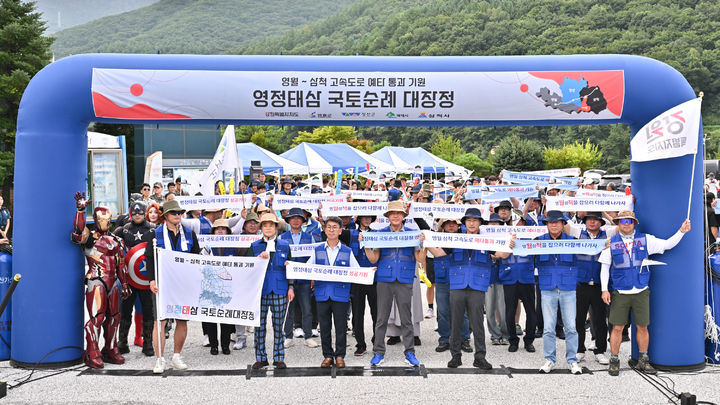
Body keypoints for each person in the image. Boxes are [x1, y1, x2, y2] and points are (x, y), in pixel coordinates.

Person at [600, 210, 691, 376]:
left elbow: (666, 244)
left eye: (629, 221)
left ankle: (643, 360)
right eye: (622, 221)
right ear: (618, 224)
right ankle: (614, 360)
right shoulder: (611, 243)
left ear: (634, 223)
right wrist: (604, 289)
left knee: (642, 326)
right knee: (617, 327)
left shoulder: (646, 239)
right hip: (620, 291)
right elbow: (605, 267)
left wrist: (681, 232)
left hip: (641, 290)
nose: (626, 224)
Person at [425, 207, 511, 369]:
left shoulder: (486, 241)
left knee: (478, 323)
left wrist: (510, 245)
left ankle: (480, 357)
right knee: (456, 322)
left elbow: (502, 255)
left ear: (480, 223)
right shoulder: (456, 239)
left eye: (475, 220)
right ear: (464, 223)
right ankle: (455, 356)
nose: (472, 223)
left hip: (478, 285)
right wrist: (426, 242)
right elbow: (439, 253)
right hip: (457, 284)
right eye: (469, 221)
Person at [362, 200, 425, 367]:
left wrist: (423, 244)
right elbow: (374, 259)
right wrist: (366, 245)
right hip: (384, 279)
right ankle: (378, 352)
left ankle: (410, 352)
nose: (396, 216)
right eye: (392, 214)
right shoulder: (380, 234)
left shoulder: (413, 234)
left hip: (404, 278)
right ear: (388, 216)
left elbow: (419, 259)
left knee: (406, 318)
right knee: (381, 318)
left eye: (399, 214)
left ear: (403, 216)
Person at [71, 192, 130, 369]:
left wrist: (125, 284)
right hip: (96, 279)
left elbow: (121, 265)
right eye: (100, 219)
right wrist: (80, 211)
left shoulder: (117, 240)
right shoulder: (90, 238)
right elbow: (77, 232)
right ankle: (92, 351)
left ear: (110, 220)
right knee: (97, 317)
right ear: (96, 220)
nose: (103, 222)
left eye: (106, 219)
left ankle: (111, 348)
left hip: (113, 282)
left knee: (114, 317)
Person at [145, 199, 201, 373]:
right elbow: (149, 259)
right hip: (162, 283)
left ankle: (176, 356)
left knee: (182, 320)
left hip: (183, 283)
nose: (178, 215)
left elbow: (196, 258)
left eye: (180, 213)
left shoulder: (190, 234)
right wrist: (152, 280)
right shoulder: (155, 234)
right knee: (160, 321)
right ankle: (159, 359)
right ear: (165, 216)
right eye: (174, 213)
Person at [306, 216, 365, 368]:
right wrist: (291, 265)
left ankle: (339, 355)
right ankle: (327, 355)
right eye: (328, 227)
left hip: (341, 293)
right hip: (322, 293)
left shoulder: (347, 250)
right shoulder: (317, 250)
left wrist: (368, 272)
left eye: (335, 227)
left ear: (340, 231)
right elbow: (307, 268)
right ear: (324, 230)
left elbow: (356, 270)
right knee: (324, 327)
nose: (331, 230)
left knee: (340, 327)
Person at [534, 210, 582, 374]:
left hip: (568, 287)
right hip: (547, 288)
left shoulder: (573, 241)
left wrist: (604, 245)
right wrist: (514, 244)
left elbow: (589, 252)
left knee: (571, 327)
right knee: (548, 328)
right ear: (546, 224)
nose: (553, 225)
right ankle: (549, 360)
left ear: (563, 224)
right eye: (550, 222)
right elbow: (524, 254)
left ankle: (572, 360)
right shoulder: (538, 241)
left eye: (557, 222)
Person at [249, 213, 295, 370]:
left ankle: (279, 357)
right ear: (261, 228)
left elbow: (290, 269)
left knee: (278, 326)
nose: (268, 228)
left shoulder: (284, 245)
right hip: (260, 291)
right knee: (259, 326)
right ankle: (261, 358)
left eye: (271, 225)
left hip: (280, 289)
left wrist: (291, 287)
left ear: (276, 228)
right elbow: (249, 270)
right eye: (265, 225)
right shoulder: (255, 246)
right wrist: (257, 260)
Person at [566, 212, 612, 365]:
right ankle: (579, 350)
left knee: (600, 320)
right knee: (578, 319)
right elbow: (564, 225)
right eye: (589, 219)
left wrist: (605, 212)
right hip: (580, 284)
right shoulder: (578, 233)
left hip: (600, 285)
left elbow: (620, 226)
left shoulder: (607, 235)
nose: (592, 222)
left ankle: (600, 350)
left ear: (601, 222)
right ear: (584, 222)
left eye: (596, 220)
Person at [114, 201, 156, 357]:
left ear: (144, 212)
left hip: (146, 279)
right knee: (125, 311)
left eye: (140, 212)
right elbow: (112, 246)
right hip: (128, 279)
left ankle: (148, 343)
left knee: (148, 312)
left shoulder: (153, 229)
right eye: (135, 212)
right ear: (131, 213)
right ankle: (122, 342)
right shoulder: (123, 230)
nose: (138, 214)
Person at [279, 208, 318, 348]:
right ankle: (288, 336)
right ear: (288, 221)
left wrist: (313, 277)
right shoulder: (282, 238)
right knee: (288, 309)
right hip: (287, 279)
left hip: (304, 279)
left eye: (298, 218)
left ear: (303, 221)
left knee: (307, 309)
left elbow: (313, 259)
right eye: (293, 218)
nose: (295, 220)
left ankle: (308, 336)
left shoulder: (309, 237)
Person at [206, 218, 238, 355]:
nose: (220, 231)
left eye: (223, 229)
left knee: (226, 317)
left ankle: (225, 345)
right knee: (211, 317)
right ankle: (214, 345)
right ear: (213, 232)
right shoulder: (206, 245)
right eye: (217, 229)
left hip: (227, 286)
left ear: (227, 231)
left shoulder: (233, 246)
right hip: (210, 285)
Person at [348, 214, 378, 356]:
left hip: (374, 278)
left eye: (369, 218)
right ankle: (360, 344)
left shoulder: (377, 234)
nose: (366, 219)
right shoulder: (351, 234)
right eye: (363, 217)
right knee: (357, 313)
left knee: (376, 312)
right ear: (358, 219)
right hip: (357, 279)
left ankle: (376, 341)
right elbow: (330, 229)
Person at [485, 213, 511, 346]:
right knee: (489, 308)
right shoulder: (482, 238)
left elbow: (506, 254)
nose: (494, 226)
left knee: (502, 308)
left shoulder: (505, 238)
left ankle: (505, 334)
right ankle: (494, 334)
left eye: (497, 223)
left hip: (502, 277)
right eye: (491, 223)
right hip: (487, 277)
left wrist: (497, 254)